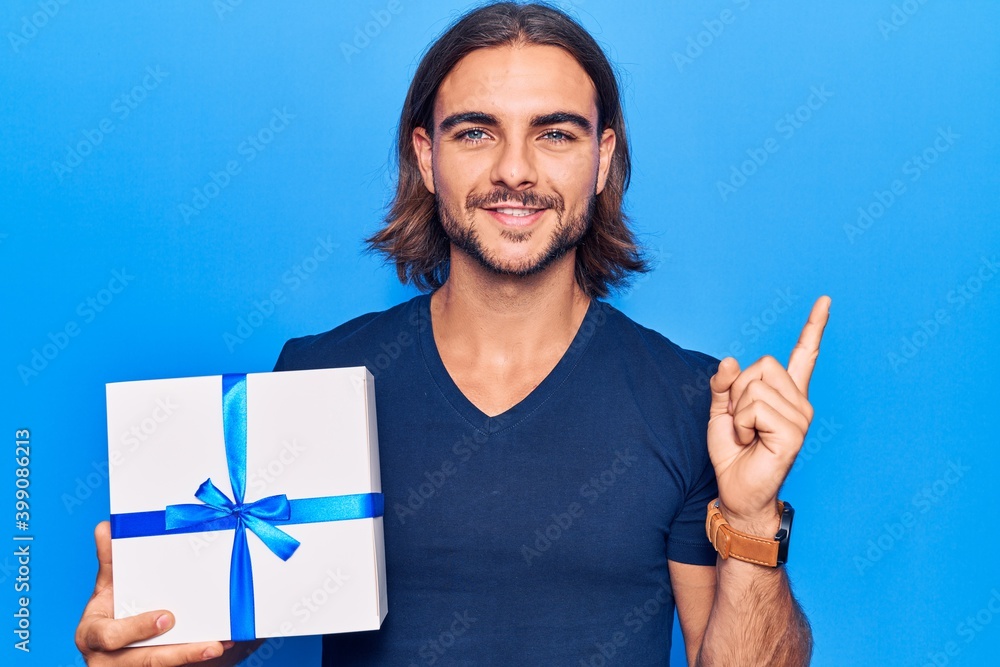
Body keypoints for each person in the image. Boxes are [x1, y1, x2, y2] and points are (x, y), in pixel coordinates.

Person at [75, 3, 828, 665]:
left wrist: (754, 514)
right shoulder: (318, 378)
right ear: (427, 156)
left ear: (602, 158)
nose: (514, 170)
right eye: (475, 132)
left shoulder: (693, 401)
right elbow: (218, 636)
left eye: (555, 134)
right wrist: (147, 643)